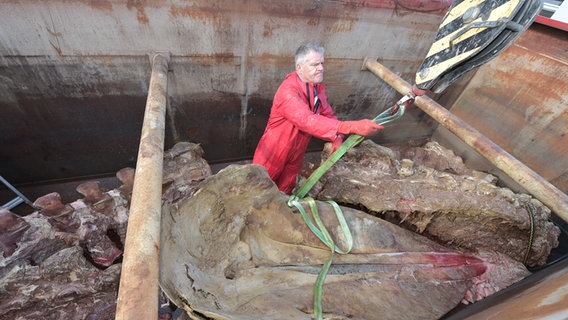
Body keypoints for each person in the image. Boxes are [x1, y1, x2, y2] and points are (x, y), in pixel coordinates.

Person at [253, 43, 383, 194]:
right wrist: (352, 127)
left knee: (286, 188)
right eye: (315, 64)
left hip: (297, 150)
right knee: (259, 187)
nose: (321, 68)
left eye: (322, 63)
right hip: (274, 151)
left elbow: (327, 114)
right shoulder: (288, 91)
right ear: (299, 67)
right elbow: (307, 121)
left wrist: (338, 136)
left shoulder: (315, 89)